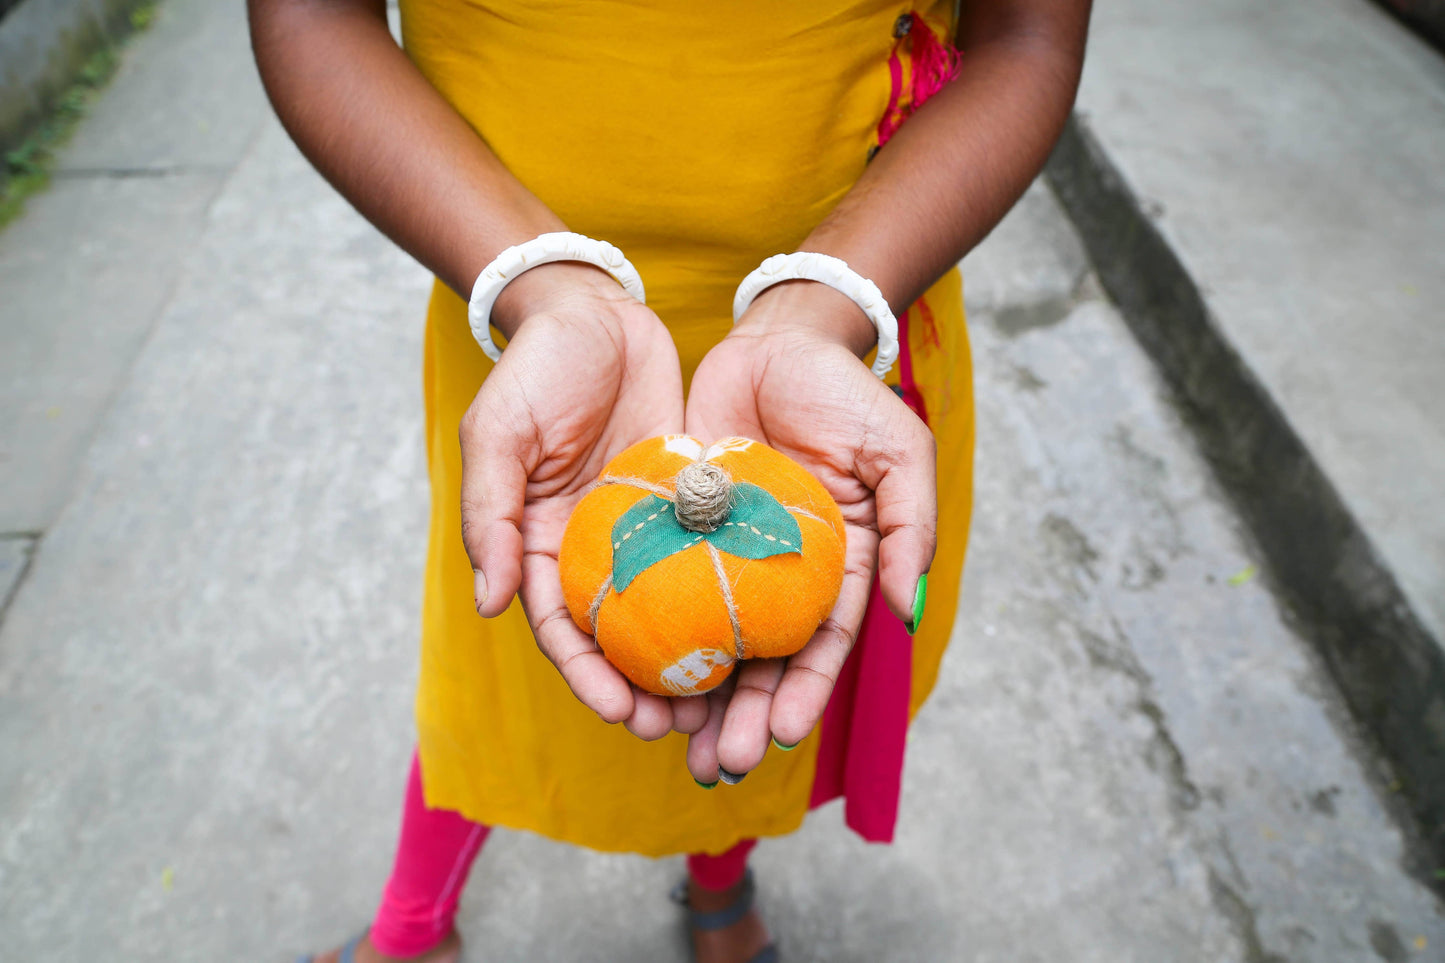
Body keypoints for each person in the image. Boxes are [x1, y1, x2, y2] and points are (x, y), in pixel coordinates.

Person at [248, 1, 1090, 960]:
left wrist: (831, 303)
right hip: (530, 318)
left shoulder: (828, 342)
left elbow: (1026, 37)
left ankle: (717, 879)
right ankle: (413, 925)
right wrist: (539, 285)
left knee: (753, 654)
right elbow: (309, 15)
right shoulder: (547, 352)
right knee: (506, 670)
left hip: (844, 312)